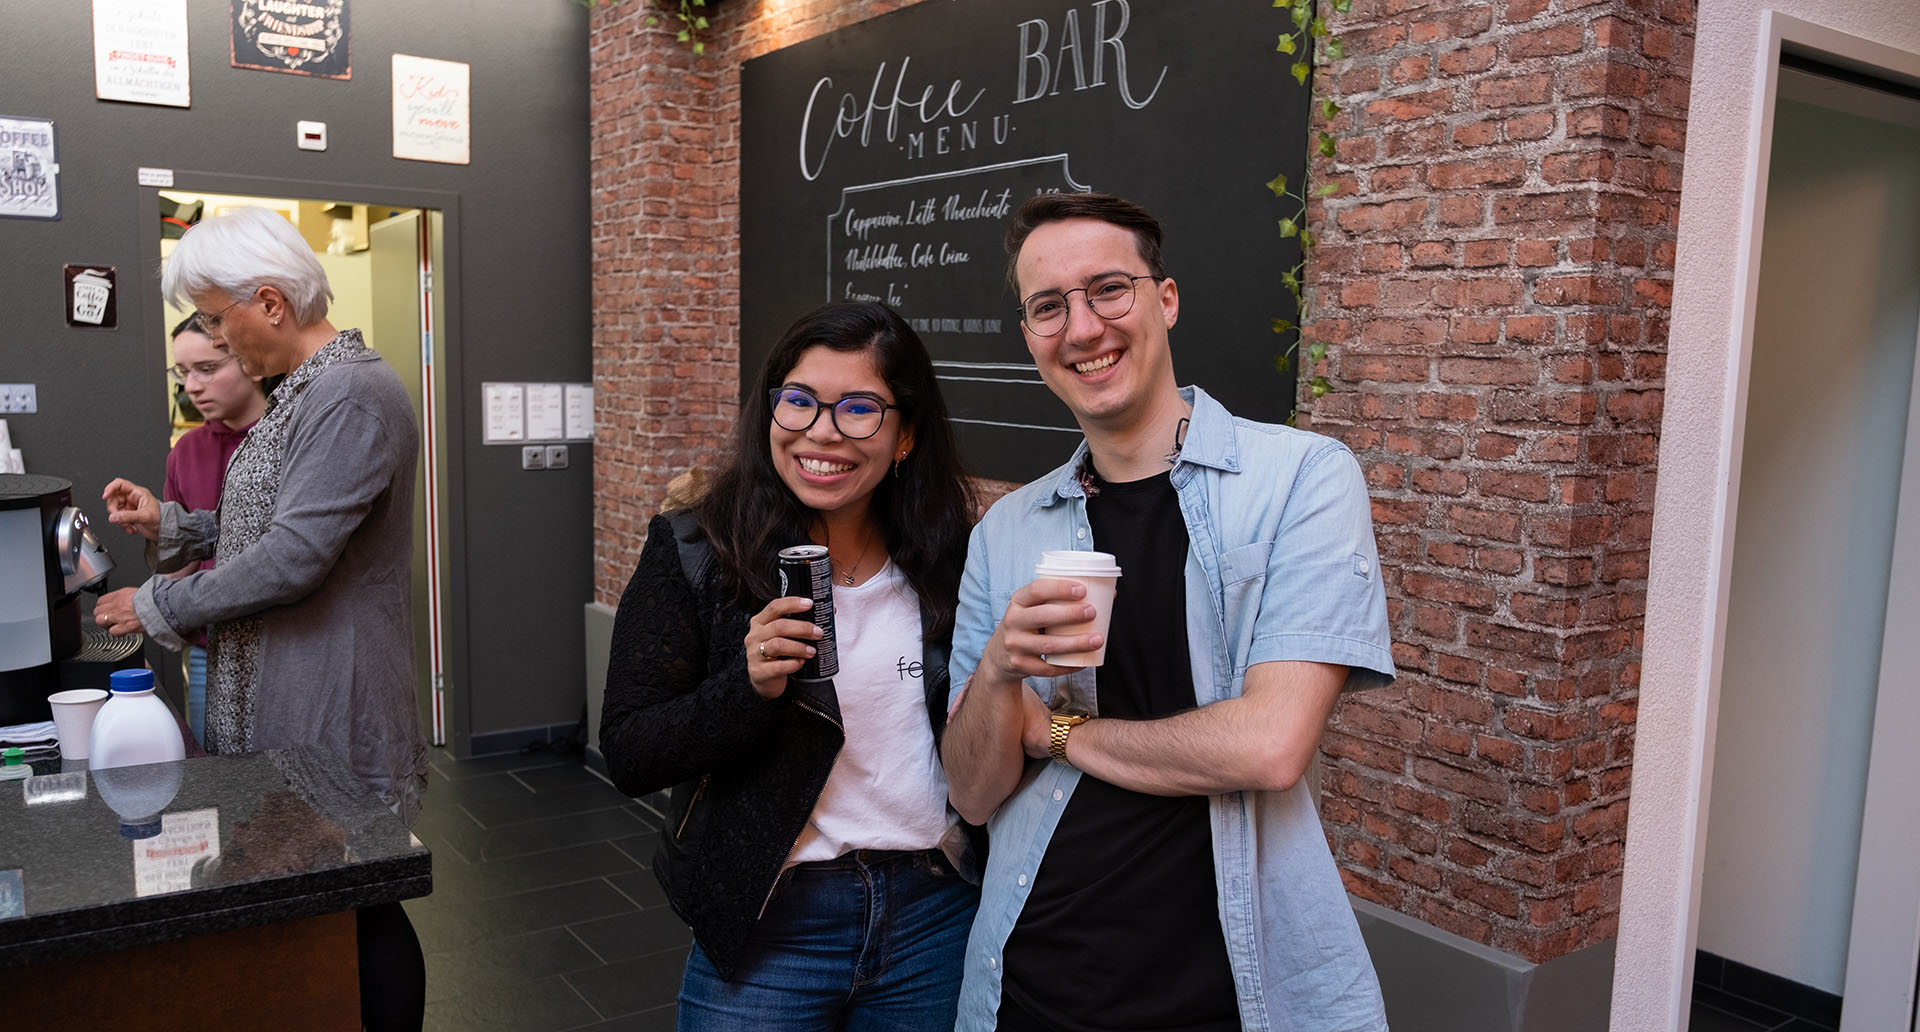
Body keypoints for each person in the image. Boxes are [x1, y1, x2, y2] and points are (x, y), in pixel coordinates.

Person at [940, 193, 1396, 1032]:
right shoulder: (1005, 533)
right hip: (1030, 985)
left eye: (1109, 289)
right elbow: (972, 796)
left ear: (1167, 298)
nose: (1083, 328)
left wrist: (1055, 733)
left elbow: (1270, 746)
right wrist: (999, 671)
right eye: (1049, 306)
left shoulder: (1300, 479)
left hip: (1227, 995)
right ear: (1030, 335)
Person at [600, 301, 981, 1031]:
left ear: (905, 436)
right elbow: (630, 751)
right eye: (800, 400)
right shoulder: (699, 550)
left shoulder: (951, 559)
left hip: (933, 915)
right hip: (772, 918)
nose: (822, 432)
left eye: (860, 409)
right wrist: (745, 689)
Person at [92, 206, 427, 1031]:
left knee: (359, 899)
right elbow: (273, 522)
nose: (215, 338)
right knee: (323, 904)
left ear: (270, 303)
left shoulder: (348, 394)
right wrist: (173, 526)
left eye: (216, 318)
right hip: (292, 689)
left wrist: (157, 600)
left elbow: (292, 557)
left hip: (332, 696)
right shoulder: (306, 392)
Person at [161, 312, 275, 743]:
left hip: (279, 644)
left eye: (206, 369)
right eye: (183, 372)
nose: (191, 386)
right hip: (210, 646)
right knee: (217, 768)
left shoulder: (286, 439)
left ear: (250, 361)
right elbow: (182, 562)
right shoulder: (185, 451)